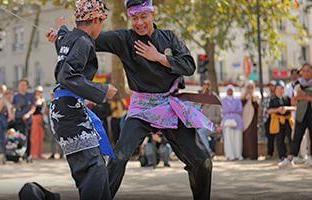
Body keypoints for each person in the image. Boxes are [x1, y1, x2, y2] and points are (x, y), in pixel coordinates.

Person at [47, 1, 215, 199]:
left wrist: (160, 57)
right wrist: (62, 37)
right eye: (134, 18)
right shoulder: (124, 39)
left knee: (203, 161)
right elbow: (86, 36)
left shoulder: (169, 37)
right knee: (118, 158)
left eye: (144, 16)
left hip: (170, 106)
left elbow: (189, 66)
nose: (139, 22)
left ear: (153, 14)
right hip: (141, 108)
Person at [48, 0, 116, 199]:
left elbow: (62, 39)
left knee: (96, 168)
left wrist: (61, 27)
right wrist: (101, 90)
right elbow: (66, 76)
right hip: (68, 111)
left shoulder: (69, 38)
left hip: (66, 109)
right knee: (92, 169)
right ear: (95, 19)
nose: (101, 28)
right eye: (101, 22)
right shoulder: (84, 41)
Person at [279, 64, 312, 167]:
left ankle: (310, 157)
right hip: (301, 114)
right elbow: (293, 101)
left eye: (308, 70)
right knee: (296, 137)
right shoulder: (298, 84)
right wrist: (303, 97)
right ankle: (290, 159)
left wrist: (303, 96)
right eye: (304, 71)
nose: (306, 73)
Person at [267, 82, 294, 167]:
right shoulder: (272, 99)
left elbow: (294, 107)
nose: (280, 91)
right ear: (275, 90)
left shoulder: (287, 98)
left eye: (282, 89)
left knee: (290, 138)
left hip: (287, 120)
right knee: (279, 139)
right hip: (277, 121)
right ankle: (282, 157)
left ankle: (291, 156)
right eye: (278, 89)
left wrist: (286, 108)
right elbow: (269, 111)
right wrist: (277, 110)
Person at [12, 79, 36, 162]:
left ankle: (28, 155)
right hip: (18, 120)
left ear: (27, 86)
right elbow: (13, 107)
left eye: (24, 85)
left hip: (27, 120)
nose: (22, 86)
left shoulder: (31, 96)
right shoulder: (15, 96)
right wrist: (12, 115)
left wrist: (28, 114)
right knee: (18, 137)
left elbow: (33, 108)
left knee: (28, 138)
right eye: (20, 85)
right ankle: (18, 155)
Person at [199, 80, 222, 156]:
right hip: (202, 126)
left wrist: (209, 118)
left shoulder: (215, 101)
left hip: (214, 126)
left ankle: (209, 152)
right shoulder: (200, 101)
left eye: (208, 85)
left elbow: (219, 118)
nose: (206, 87)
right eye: (204, 85)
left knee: (201, 132)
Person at [221, 85, 244, 161]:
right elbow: (224, 110)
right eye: (228, 90)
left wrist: (231, 111)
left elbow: (240, 109)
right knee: (228, 138)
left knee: (238, 138)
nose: (230, 91)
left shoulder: (237, 100)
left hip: (237, 120)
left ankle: (238, 154)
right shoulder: (223, 100)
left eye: (231, 90)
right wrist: (232, 110)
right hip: (227, 121)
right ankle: (230, 155)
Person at [241, 81, 259, 160]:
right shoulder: (242, 97)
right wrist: (245, 98)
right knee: (245, 137)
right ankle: (245, 155)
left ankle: (253, 155)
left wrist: (252, 99)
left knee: (252, 137)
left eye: (251, 87)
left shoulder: (256, 96)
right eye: (248, 87)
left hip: (252, 119)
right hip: (244, 119)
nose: (249, 89)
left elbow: (257, 107)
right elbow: (240, 107)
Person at [30, 86, 46, 160]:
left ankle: (39, 154)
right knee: (35, 137)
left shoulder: (42, 100)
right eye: (38, 91)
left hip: (41, 118)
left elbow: (44, 109)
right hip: (35, 118)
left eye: (40, 92)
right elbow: (33, 109)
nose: (39, 93)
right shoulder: (33, 100)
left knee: (40, 136)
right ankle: (34, 154)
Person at [262, 81, 277, 159]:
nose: (271, 87)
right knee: (269, 137)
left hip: (276, 118)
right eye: (270, 86)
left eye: (273, 86)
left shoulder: (278, 97)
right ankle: (269, 153)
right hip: (268, 119)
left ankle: (278, 154)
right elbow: (263, 109)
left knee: (278, 136)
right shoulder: (266, 97)